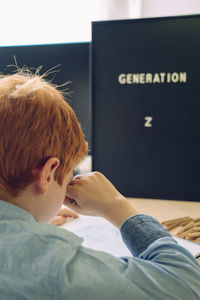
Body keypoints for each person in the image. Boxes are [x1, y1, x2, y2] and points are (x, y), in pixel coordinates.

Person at [0, 70, 199, 300]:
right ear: (48, 174)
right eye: (69, 176)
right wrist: (117, 207)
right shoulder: (53, 267)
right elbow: (188, 285)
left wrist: (25, 221)